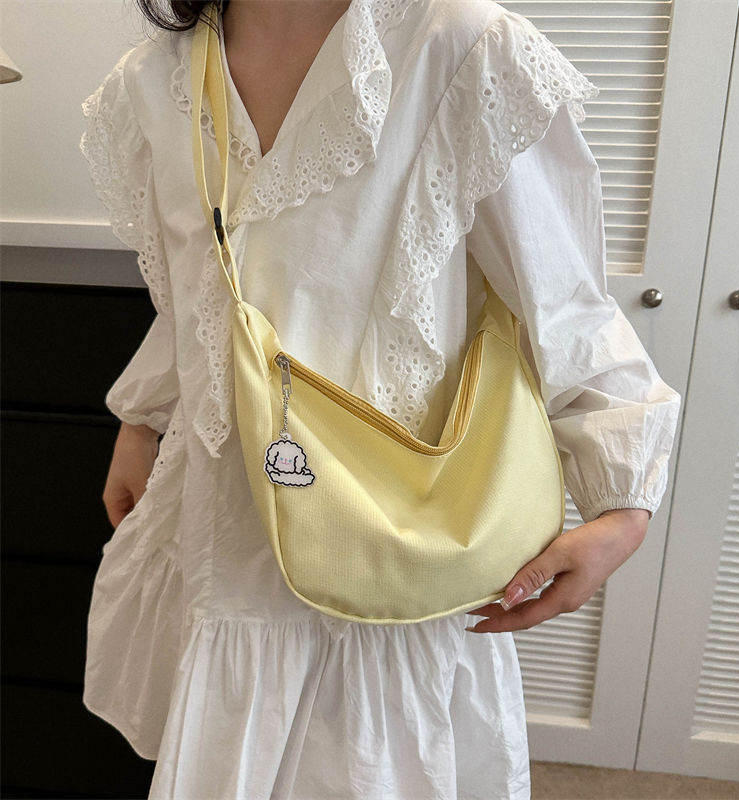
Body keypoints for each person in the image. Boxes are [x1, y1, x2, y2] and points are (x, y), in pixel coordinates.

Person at [81, 0, 682, 796]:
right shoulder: (156, 80)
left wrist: (624, 499)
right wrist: (143, 418)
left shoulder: (462, 48)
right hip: (223, 536)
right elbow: (204, 296)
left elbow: (566, 303)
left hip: (392, 538)